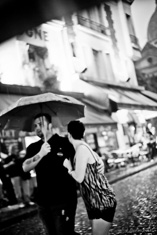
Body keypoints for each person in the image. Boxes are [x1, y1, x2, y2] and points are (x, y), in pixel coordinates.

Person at [22, 113, 105, 235]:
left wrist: (97, 161)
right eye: (35, 126)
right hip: (43, 202)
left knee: (64, 232)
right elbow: (25, 167)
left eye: (41, 124)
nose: (37, 128)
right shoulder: (33, 148)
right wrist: (41, 154)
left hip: (64, 199)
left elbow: (85, 155)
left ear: (50, 125)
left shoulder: (65, 143)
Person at [63, 120, 117, 235]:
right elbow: (95, 159)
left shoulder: (81, 149)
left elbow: (79, 178)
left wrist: (69, 169)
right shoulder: (83, 147)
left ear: (69, 135)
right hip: (94, 202)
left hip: (101, 201)